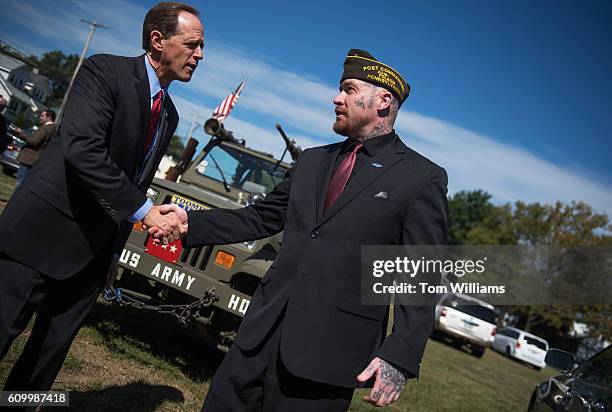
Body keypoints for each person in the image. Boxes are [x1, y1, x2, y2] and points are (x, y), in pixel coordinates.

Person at [156, 49, 449, 411]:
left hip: (328, 355)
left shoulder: (421, 177)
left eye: (348, 89)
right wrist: (189, 223)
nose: (335, 97)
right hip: (258, 338)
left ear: (383, 101)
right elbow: (261, 217)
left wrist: (400, 355)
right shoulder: (313, 160)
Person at [0, 1, 202, 392]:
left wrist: (113, 255)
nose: (200, 54)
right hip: (40, 238)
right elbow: (83, 149)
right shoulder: (103, 71)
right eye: (192, 44)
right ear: (157, 40)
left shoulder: (170, 115)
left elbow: (136, 182)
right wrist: (146, 213)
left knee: (44, 364)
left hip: (92, 259)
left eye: (201, 46)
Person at [13, 109, 57, 186]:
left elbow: (34, 141)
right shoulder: (53, 128)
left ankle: (16, 198)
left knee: (20, 181)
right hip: (36, 159)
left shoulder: (44, 128)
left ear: (49, 117)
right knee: (25, 183)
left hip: (29, 159)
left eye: (42, 116)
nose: (40, 117)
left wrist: (21, 133)